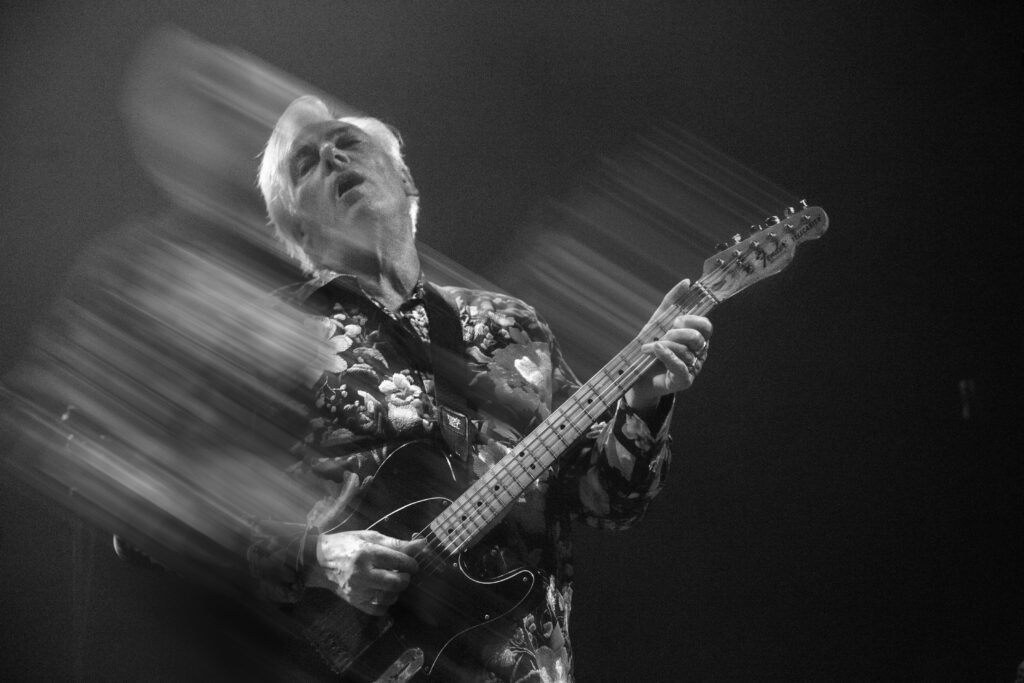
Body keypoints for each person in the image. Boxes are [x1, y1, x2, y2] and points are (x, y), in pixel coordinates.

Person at [249, 95, 713, 681]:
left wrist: (644, 402)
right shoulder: (269, 332)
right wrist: (318, 557)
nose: (334, 158)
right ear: (298, 228)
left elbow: (609, 499)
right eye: (307, 163)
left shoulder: (512, 325)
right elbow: (182, 510)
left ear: (405, 179)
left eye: (348, 143)